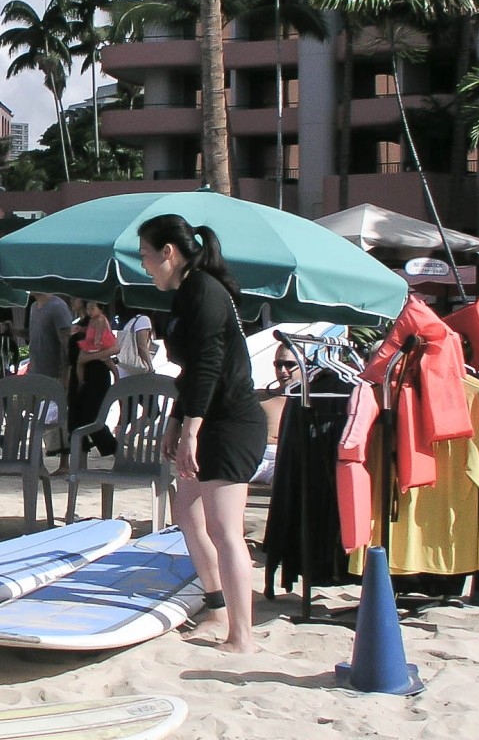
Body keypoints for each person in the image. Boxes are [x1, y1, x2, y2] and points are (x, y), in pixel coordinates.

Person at [138, 213, 266, 655]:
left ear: (168, 253)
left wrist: (191, 429)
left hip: (230, 423)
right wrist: (177, 422)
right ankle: (215, 607)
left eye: (146, 256)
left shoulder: (204, 291)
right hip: (206, 418)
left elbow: (210, 365)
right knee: (187, 512)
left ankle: (242, 635)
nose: (145, 266)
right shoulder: (188, 292)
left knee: (224, 527)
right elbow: (191, 373)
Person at [66, 300, 118, 467]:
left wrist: (88, 358)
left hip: (96, 373)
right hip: (77, 374)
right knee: (75, 418)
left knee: (91, 418)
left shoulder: (98, 321)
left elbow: (114, 348)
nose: (72, 300)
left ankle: (118, 454)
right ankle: (79, 466)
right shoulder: (79, 324)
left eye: (76, 297)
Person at [27, 293, 73, 472]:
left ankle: (64, 463)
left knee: (59, 420)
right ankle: (38, 462)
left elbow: (66, 342)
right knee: (38, 419)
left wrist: (65, 373)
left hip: (55, 373)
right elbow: (36, 337)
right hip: (36, 372)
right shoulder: (33, 308)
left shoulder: (57, 307)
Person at [251, 344, 300, 486]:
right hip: (255, 456)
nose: (282, 370)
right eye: (278, 364)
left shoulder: (311, 400)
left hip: (286, 458)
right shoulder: (259, 396)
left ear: (303, 365)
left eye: (289, 364)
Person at [116, 310, 156, 377]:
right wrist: (150, 367)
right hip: (136, 368)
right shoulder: (144, 320)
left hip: (125, 365)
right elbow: (142, 346)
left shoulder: (132, 321)